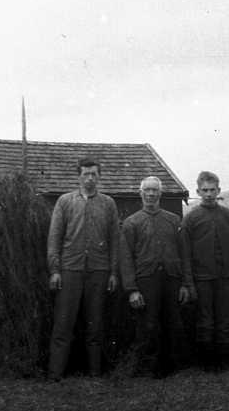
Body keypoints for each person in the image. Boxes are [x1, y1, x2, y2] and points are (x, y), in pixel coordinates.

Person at [46, 158, 120, 380]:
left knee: (94, 324)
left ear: (99, 176)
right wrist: (55, 270)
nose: (90, 178)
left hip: (98, 271)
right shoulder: (65, 202)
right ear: (78, 176)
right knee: (63, 324)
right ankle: (55, 375)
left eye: (94, 174)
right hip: (70, 270)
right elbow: (54, 237)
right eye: (86, 174)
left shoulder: (108, 204)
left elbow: (114, 241)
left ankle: (95, 374)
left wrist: (114, 272)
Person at [120, 176, 192, 378]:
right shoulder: (132, 223)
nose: (151, 194)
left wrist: (186, 284)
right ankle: (147, 369)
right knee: (148, 326)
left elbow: (183, 254)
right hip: (146, 281)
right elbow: (125, 258)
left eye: (155, 190)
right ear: (140, 193)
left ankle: (174, 369)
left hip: (171, 279)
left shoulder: (173, 220)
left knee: (174, 325)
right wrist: (132, 289)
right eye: (147, 190)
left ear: (161, 194)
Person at [180, 171, 229, 372]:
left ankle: (224, 363)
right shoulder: (191, 219)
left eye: (212, 190)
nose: (209, 194)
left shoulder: (228, 216)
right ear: (198, 191)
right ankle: (208, 365)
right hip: (201, 279)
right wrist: (189, 283)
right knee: (205, 321)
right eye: (204, 190)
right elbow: (185, 253)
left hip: (225, 277)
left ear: (218, 190)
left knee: (224, 321)